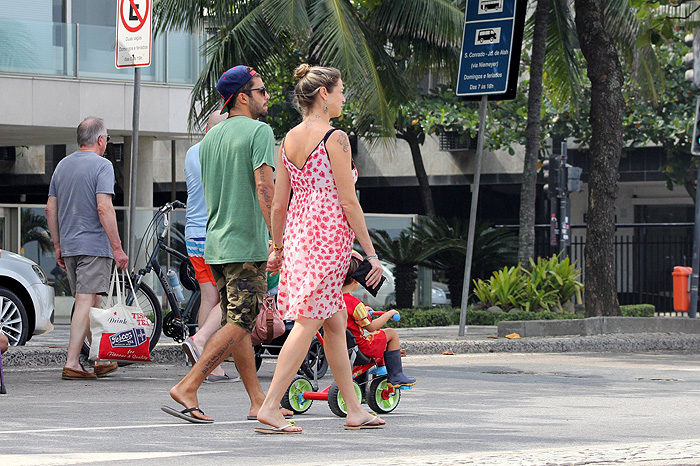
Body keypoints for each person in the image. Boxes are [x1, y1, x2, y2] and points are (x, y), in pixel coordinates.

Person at [256, 64, 386, 433]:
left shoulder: (289, 140)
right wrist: (371, 253)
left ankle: (356, 409)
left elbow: (279, 205)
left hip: (299, 236)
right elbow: (349, 202)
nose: (344, 96)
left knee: (334, 322)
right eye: (341, 89)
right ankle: (269, 406)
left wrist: (278, 247)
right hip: (328, 238)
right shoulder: (335, 138)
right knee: (309, 321)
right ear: (324, 94)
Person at [164, 65, 291, 423]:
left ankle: (257, 401)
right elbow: (266, 188)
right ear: (243, 97)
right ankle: (188, 385)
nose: (267, 96)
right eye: (261, 90)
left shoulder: (210, 140)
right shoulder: (259, 132)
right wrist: (278, 242)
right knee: (240, 321)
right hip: (244, 245)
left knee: (241, 324)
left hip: (215, 245)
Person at [45, 117, 129, 380]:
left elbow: (50, 208)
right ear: (101, 140)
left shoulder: (62, 166)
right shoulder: (102, 165)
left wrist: (58, 245)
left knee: (94, 300)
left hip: (70, 245)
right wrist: (117, 248)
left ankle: (100, 357)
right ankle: (72, 362)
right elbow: (104, 207)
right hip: (94, 245)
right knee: (86, 300)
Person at [182, 109, 238, 383]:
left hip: (192, 233)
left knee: (209, 297)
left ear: (206, 128)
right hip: (215, 234)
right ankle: (206, 350)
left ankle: (202, 359)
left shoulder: (192, 152)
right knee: (230, 297)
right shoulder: (222, 154)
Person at [343, 252, 416, 388]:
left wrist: (364, 311)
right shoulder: (355, 303)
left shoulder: (333, 300)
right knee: (391, 333)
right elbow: (371, 327)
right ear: (355, 280)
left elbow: (352, 319)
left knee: (369, 339)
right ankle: (396, 376)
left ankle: (362, 392)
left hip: (341, 347)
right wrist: (388, 314)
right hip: (360, 349)